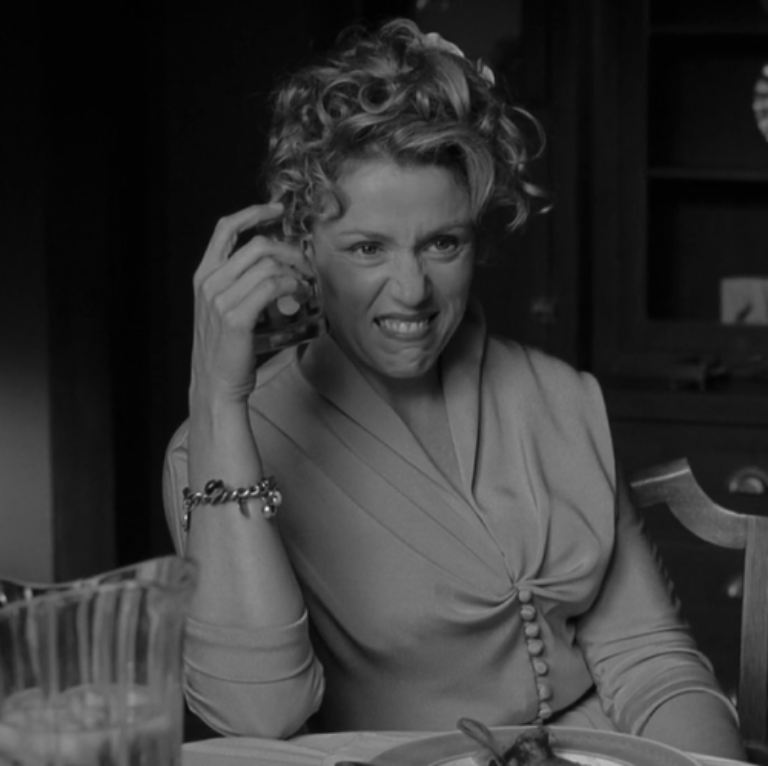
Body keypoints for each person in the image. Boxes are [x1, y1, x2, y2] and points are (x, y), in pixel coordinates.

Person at [163, 18, 746, 759]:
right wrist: (217, 402)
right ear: (302, 247)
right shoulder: (220, 449)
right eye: (368, 248)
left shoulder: (562, 399)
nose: (411, 289)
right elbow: (257, 714)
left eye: (443, 242)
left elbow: (652, 662)